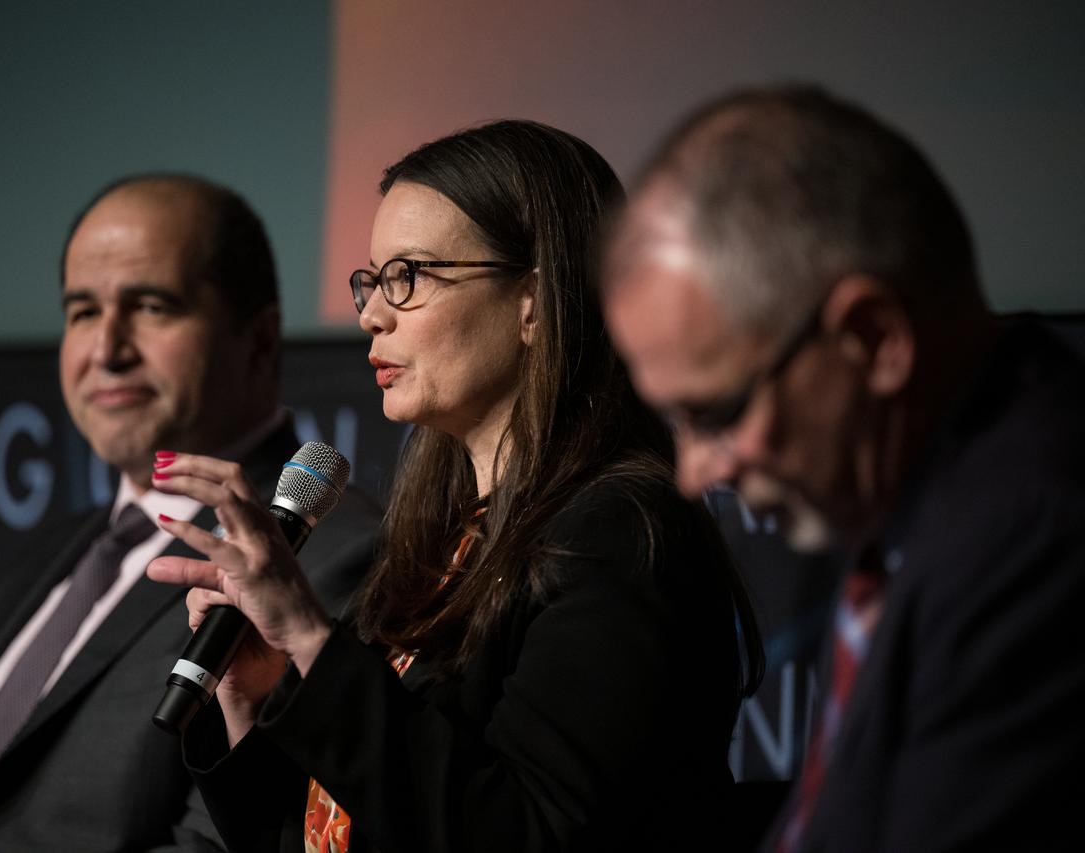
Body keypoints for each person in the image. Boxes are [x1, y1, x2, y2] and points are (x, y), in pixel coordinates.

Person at [145, 120, 763, 852]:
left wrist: (313, 640)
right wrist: (255, 694)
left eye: (408, 276)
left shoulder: (621, 533)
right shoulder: (442, 541)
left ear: (535, 298)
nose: (372, 314)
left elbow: (525, 831)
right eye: (371, 281)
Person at [602, 85, 1085, 852]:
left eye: (717, 414)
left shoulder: (1032, 540)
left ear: (875, 338)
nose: (692, 476)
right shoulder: (910, 503)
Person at [0, 174, 382, 852]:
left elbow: (228, 841)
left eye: (152, 307)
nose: (105, 350)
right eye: (82, 312)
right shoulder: (54, 550)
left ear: (258, 338)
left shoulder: (325, 553)